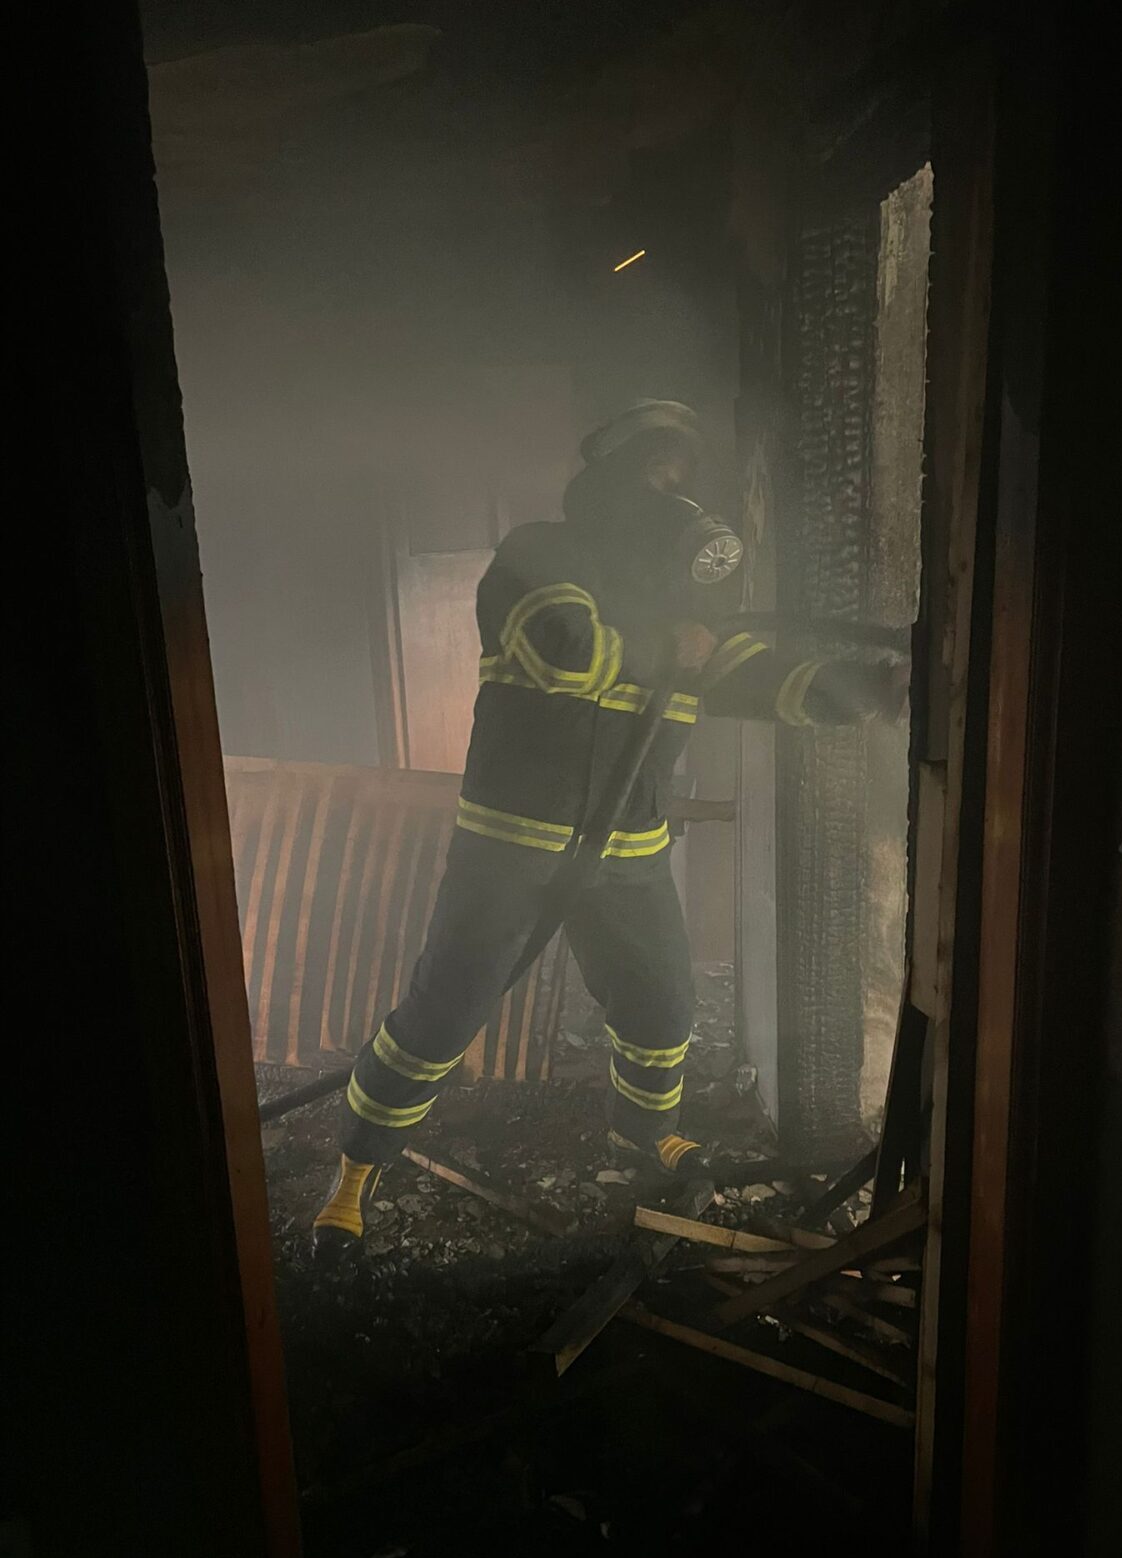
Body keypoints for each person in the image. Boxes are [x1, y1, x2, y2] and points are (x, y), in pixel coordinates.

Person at [314, 400, 904, 1248]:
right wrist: (673, 646)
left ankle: (639, 1131)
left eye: (679, 475)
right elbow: (565, 646)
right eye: (653, 473)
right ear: (607, 479)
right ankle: (355, 1171)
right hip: (512, 848)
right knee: (442, 1014)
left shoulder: (673, 596)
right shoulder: (536, 555)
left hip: (628, 846)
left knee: (663, 1003)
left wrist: (872, 691)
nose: (669, 492)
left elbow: (747, 672)